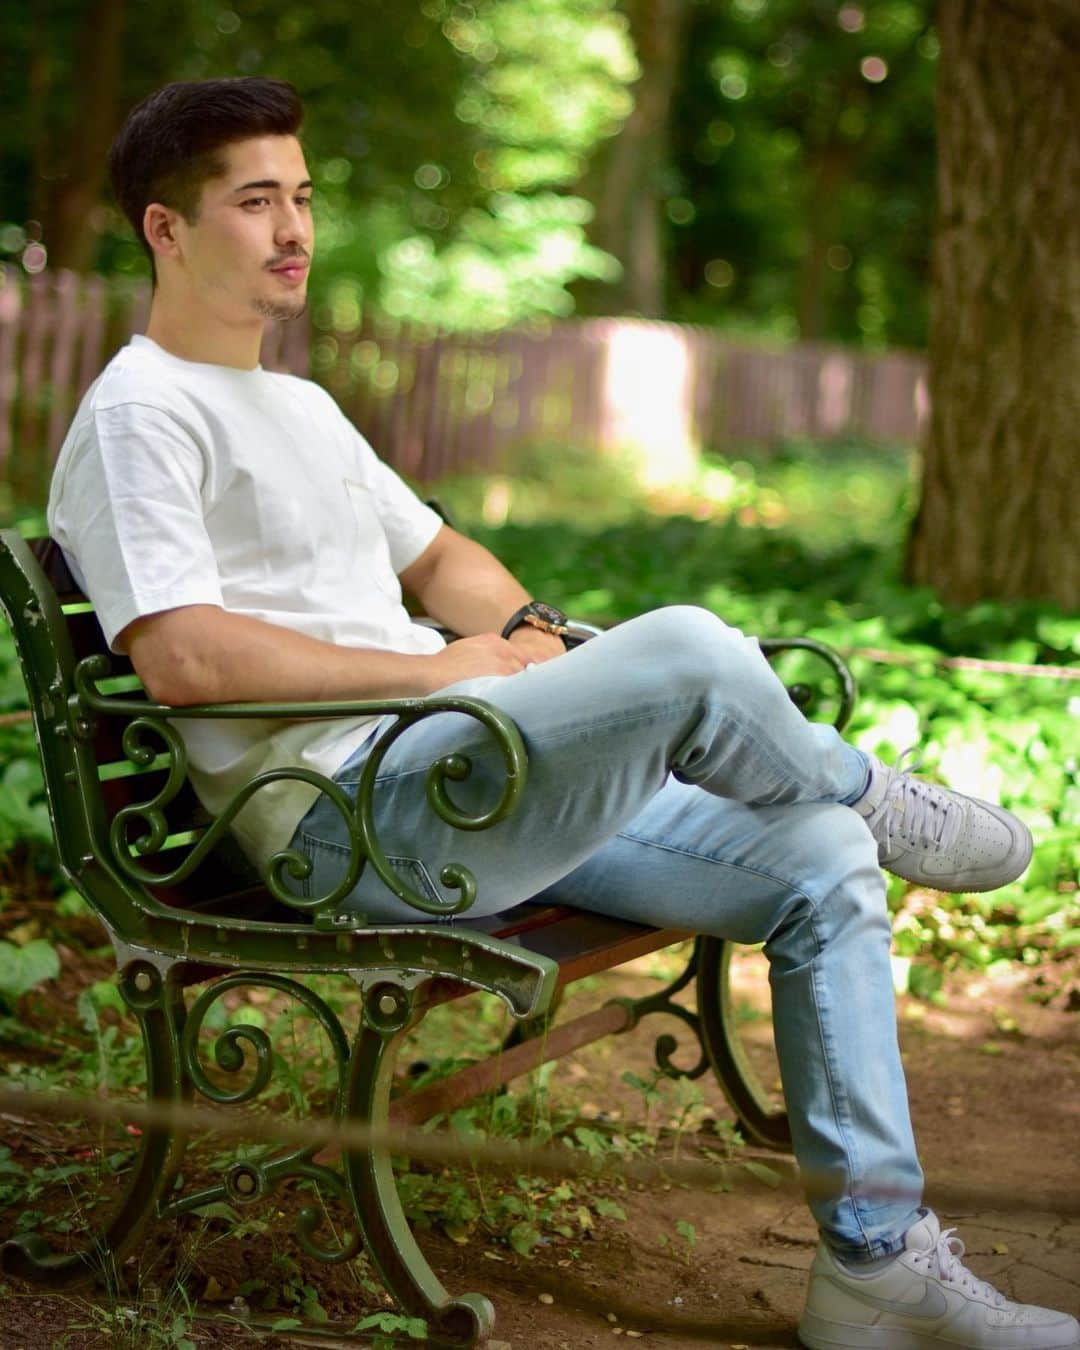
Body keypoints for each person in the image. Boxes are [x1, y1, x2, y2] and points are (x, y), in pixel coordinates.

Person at [47, 78, 1078, 1350]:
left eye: (303, 197)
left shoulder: (297, 404)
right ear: (165, 229)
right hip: (342, 820)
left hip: (458, 779)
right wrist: (444, 675)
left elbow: (444, 564)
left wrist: (523, 641)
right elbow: (185, 660)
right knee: (696, 647)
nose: (293, 229)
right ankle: (865, 782)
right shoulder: (140, 413)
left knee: (819, 861)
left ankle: (873, 1269)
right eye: (256, 202)